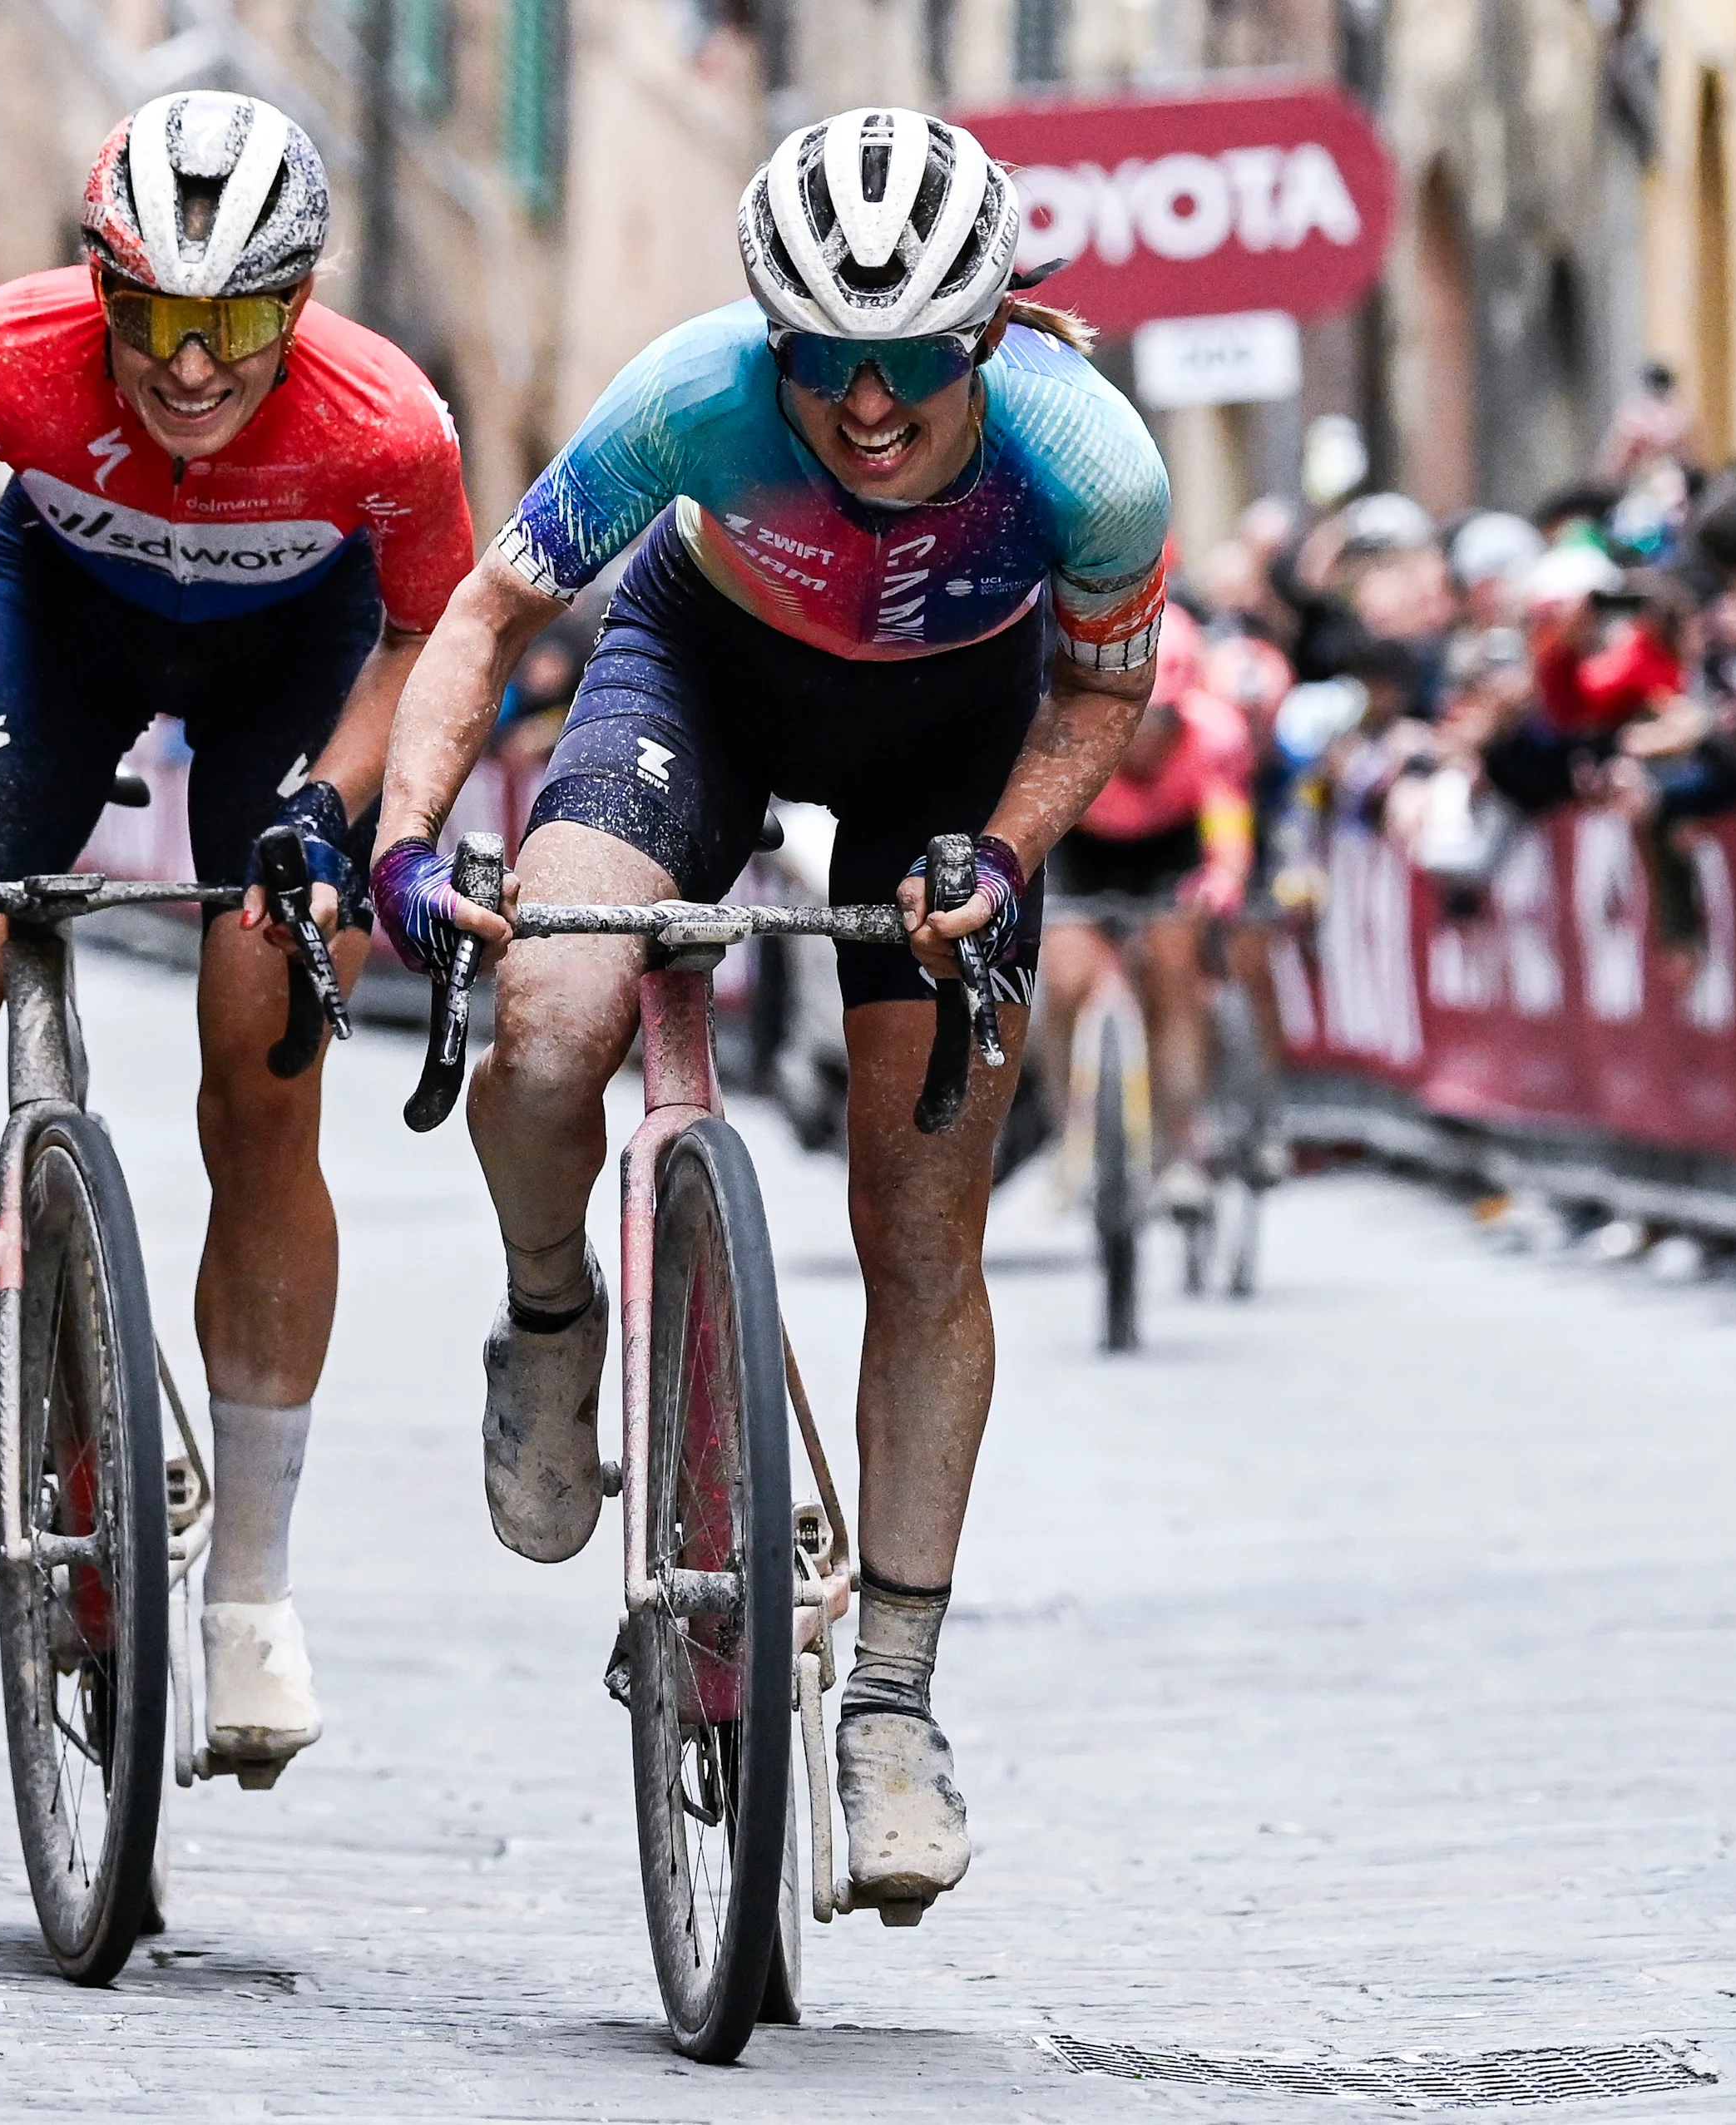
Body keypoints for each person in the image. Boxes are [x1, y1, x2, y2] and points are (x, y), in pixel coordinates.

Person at [367, 106, 1168, 1919]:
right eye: (822, 361)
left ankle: (890, 1699)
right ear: (767, 336)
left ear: (991, 334)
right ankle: (552, 1307)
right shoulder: (690, 395)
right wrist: (413, 841)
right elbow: (492, 611)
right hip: (699, 675)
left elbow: (1108, 690)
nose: (866, 406)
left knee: (920, 1214)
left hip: (949, 740)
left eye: (910, 364)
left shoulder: (1091, 464)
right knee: (558, 1009)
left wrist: (1014, 845)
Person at [0, 92, 471, 1777]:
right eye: (154, 316)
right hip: (57, 628)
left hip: (293, 663)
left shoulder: (391, 426)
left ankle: (250, 1595)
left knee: (265, 1077)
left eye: (235, 323)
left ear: (294, 307)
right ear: (101, 289)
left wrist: (340, 802)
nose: (194, 364)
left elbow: (443, 638)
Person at [1034, 610, 1256, 1208]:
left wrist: (1224, 878)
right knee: (1066, 975)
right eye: (1131, 713)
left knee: (1173, 971)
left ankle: (1183, 1143)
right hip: (1084, 852)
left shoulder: (1214, 737)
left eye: (1160, 716)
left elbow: (1227, 825)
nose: (1145, 733)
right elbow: (1031, 826)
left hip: (1170, 853)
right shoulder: (1064, 732)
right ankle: (1066, 1133)